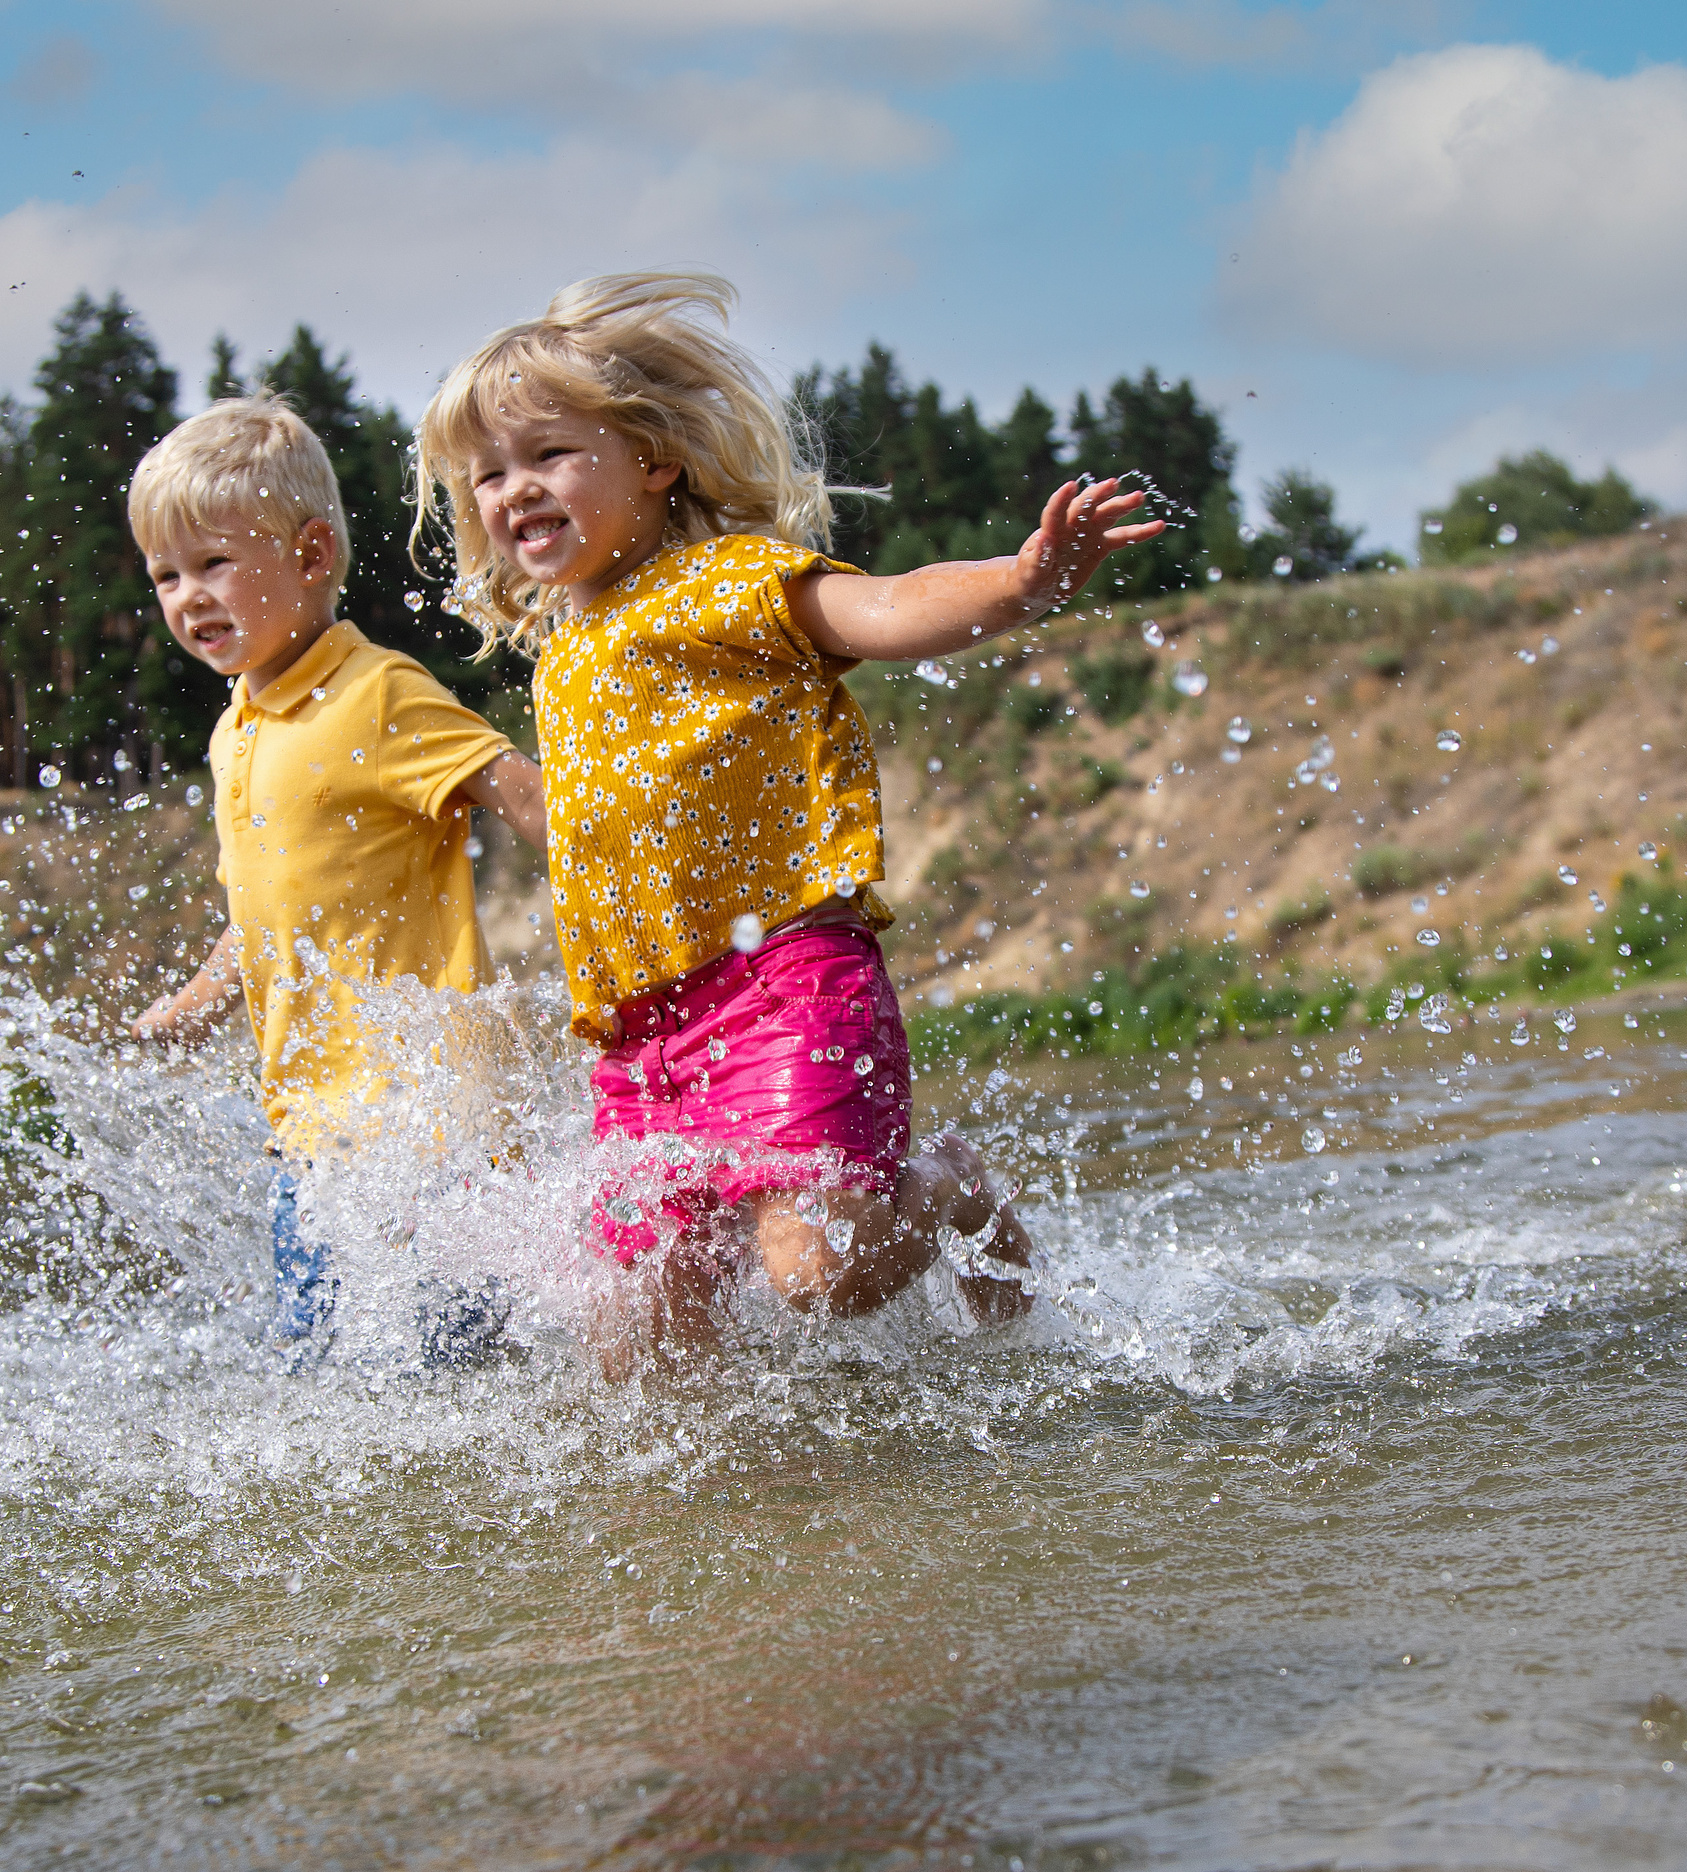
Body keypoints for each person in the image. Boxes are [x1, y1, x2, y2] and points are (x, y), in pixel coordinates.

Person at [415, 273, 1163, 1372]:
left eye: (548, 455)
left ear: (654, 460)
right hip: (637, 1032)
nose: (514, 488)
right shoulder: (565, 646)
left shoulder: (728, 580)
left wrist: (1018, 581)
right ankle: (753, 1516)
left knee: (816, 1276)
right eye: (488, 473)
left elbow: (887, 606)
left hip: (782, 984)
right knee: (645, 1344)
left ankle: (948, 1180)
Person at [126, 396, 547, 1357]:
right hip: (310, 1141)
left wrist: (644, 885)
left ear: (312, 557)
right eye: (166, 574)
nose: (189, 595)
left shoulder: (375, 692)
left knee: (451, 1380)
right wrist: (199, 1001)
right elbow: (266, 906)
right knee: (328, 1378)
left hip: (425, 1130)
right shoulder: (234, 731)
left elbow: (522, 793)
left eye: (215, 563)